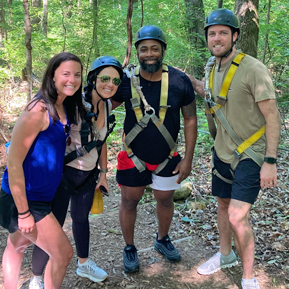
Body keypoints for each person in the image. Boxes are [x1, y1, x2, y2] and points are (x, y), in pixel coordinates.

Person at [186, 8, 281, 289]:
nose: (217, 38)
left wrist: (271, 161)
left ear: (235, 36)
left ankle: (249, 277)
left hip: (251, 154)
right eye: (212, 33)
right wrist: (189, 81)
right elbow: (215, 95)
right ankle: (225, 255)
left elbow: (272, 116)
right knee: (223, 205)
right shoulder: (212, 67)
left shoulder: (253, 68)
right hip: (222, 151)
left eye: (223, 33)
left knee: (238, 216)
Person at [28, 56, 123, 289]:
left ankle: (83, 263)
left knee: (81, 220)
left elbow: (101, 142)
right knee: (54, 226)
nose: (109, 84)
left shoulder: (109, 105)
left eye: (115, 80)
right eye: (104, 78)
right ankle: (37, 277)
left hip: (88, 177)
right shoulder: (73, 103)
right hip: (63, 176)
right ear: (93, 79)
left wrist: (103, 173)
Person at [111, 25, 197, 273]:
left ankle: (162, 239)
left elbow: (190, 119)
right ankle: (129, 247)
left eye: (154, 49)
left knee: (165, 199)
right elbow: (104, 106)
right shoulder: (127, 81)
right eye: (144, 49)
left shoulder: (180, 81)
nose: (149, 54)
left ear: (163, 51)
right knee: (129, 201)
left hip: (167, 156)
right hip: (132, 156)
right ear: (137, 52)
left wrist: (188, 159)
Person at [0, 52, 83, 289]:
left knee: (16, 245)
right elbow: (14, 162)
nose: (72, 80)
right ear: (53, 76)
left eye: (77, 75)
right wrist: (24, 212)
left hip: (42, 196)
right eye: (66, 74)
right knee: (63, 254)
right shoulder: (38, 110)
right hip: (24, 199)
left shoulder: (63, 106)